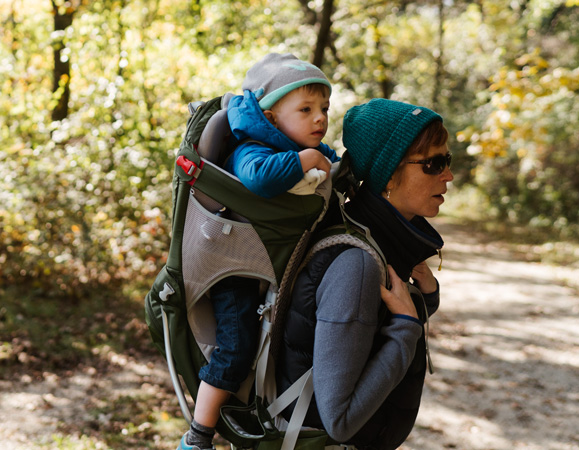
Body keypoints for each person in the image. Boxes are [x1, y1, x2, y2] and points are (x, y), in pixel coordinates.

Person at [178, 53, 339, 450]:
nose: (319, 118)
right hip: (231, 269)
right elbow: (258, 179)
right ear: (270, 117)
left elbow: (335, 171)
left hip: (264, 266)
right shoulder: (253, 148)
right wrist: (306, 159)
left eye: (324, 109)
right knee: (236, 348)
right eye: (305, 109)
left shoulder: (296, 144)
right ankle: (198, 436)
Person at [276, 98, 453, 449]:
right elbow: (339, 421)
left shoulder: (376, 237)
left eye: (447, 161)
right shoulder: (356, 265)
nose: (448, 175)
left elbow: (370, 327)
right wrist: (407, 328)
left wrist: (423, 297)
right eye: (433, 164)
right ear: (388, 174)